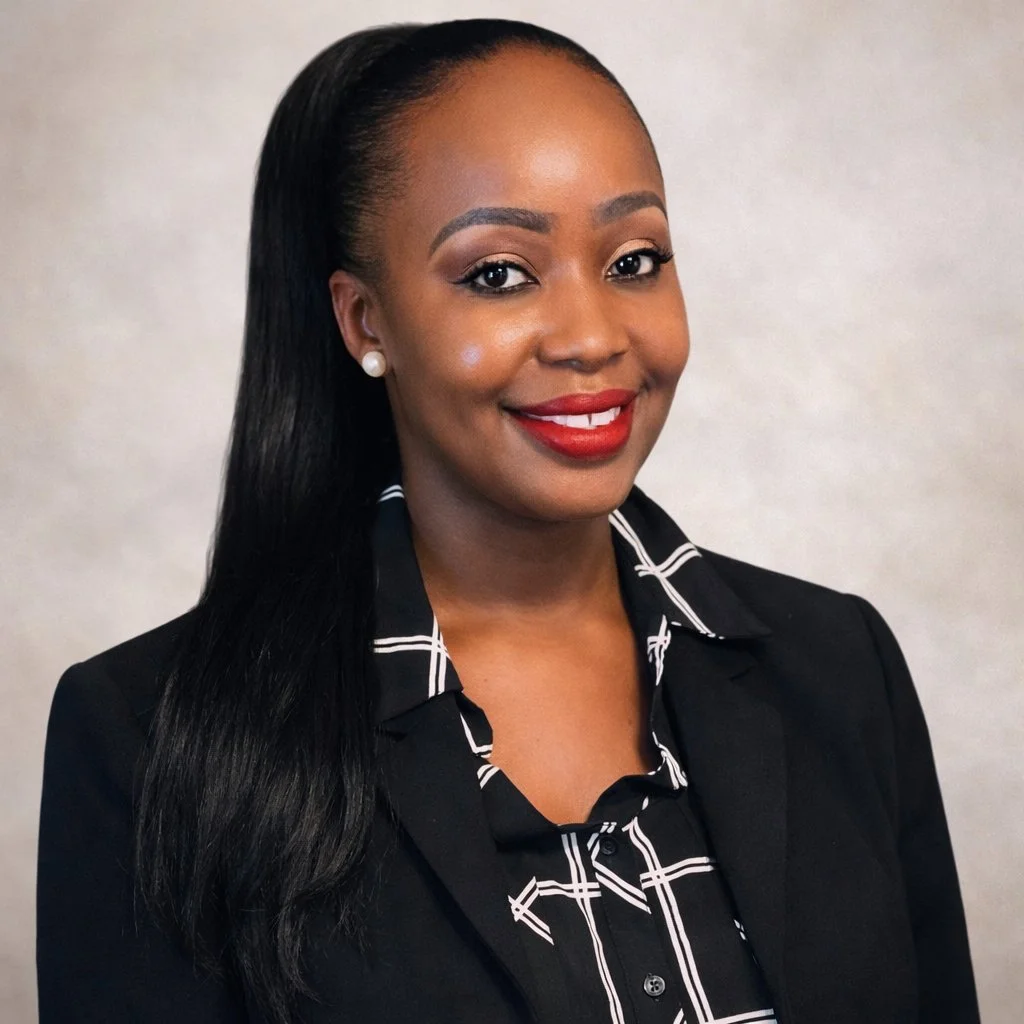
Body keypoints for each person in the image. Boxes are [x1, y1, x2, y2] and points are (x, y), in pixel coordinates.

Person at [36, 18, 980, 1024]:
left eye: (633, 259)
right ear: (366, 322)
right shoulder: (149, 741)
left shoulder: (839, 667)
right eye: (498, 273)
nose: (590, 337)